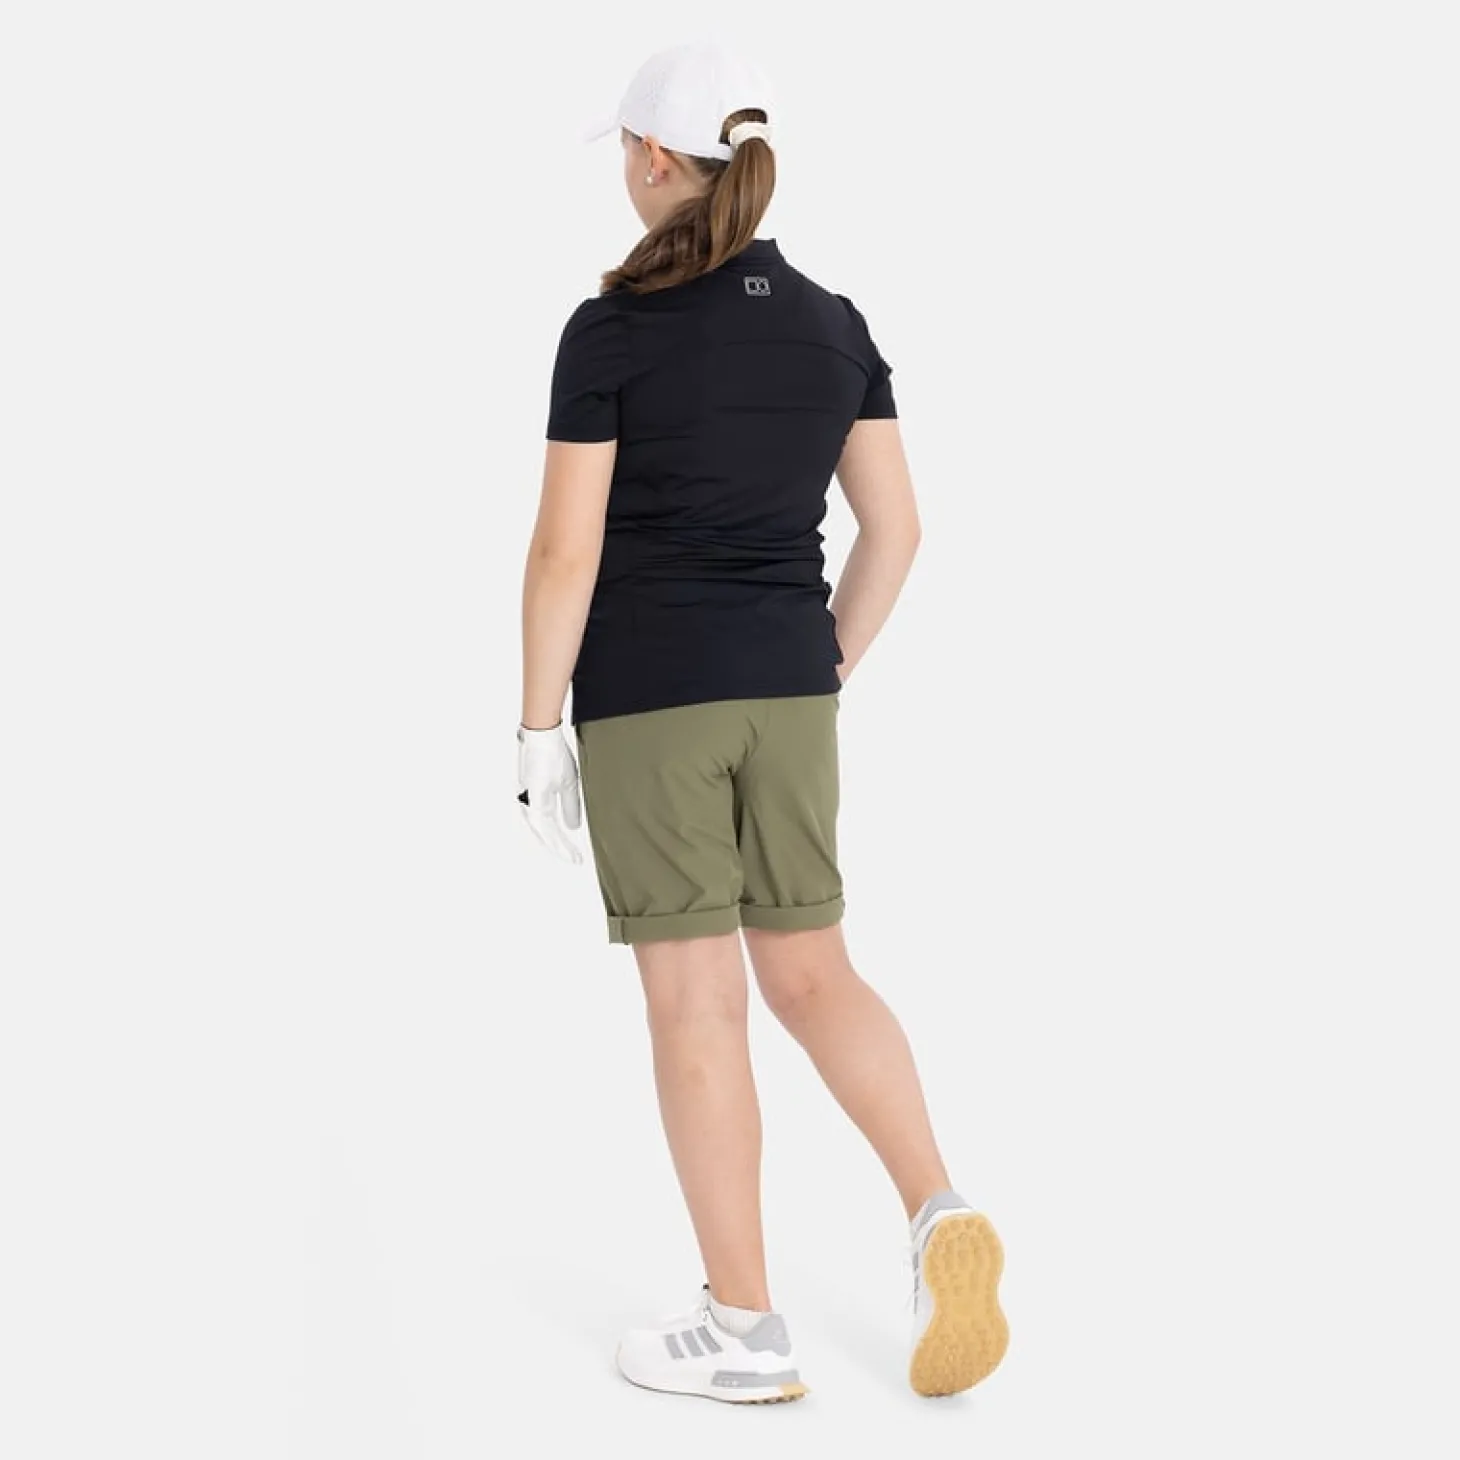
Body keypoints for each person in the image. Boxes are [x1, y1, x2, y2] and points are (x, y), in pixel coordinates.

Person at [517, 41, 1007, 1405]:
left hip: (654, 698)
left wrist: (537, 731)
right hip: (792, 690)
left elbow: (563, 552)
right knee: (816, 976)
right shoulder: (833, 323)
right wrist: (823, 659)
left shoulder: (611, 331)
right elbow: (897, 528)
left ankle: (745, 1328)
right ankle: (940, 1211)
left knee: (697, 1003)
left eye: (625, 153)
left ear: (653, 160)